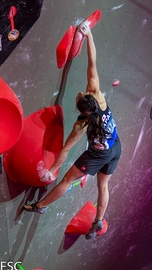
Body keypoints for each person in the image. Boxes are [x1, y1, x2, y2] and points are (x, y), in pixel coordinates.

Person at [23, 22, 121, 240]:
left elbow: (66, 151)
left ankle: (40, 205)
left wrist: (52, 171)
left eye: (78, 98)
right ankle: (97, 222)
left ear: (83, 111)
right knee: (103, 186)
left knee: (67, 179)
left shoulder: (81, 125)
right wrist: (90, 36)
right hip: (115, 147)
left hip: (99, 154)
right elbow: (92, 62)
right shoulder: (98, 95)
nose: (78, 93)